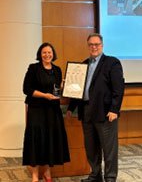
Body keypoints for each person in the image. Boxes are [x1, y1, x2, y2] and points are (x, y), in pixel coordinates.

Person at [66, 33, 125, 182]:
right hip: (86, 112)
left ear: (102, 45)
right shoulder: (83, 65)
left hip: (105, 113)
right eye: (91, 45)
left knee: (109, 149)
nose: (94, 47)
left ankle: (110, 177)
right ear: (88, 46)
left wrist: (114, 109)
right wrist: (70, 108)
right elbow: (77, 89)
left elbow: (118, 89)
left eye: (96, 44)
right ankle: (95, 175)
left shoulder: (112, 63)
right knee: (91, 148)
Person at [22, 42, 70, 182]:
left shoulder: (57, 70)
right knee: (36, 141)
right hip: (36, 110)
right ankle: (35, 174)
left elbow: (56, 89)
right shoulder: (33, 68)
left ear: (53, 54)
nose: (47, 55)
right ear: (40, 54)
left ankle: (47, 173)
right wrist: (45, 95)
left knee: (50, 140)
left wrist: (65, 85)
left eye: (49, 52)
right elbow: (27, 89)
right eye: (44, 52)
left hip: (52, 111)